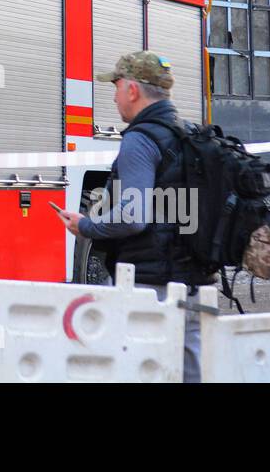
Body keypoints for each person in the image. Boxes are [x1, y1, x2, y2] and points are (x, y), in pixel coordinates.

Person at [56, 50, 216, 383]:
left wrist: (85, 226)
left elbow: (133, 216)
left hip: (148, 287)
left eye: (115, 88)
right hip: (195, 285)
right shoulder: (190, 136)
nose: (114, 98)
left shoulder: (140, 141)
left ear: (132, 90)